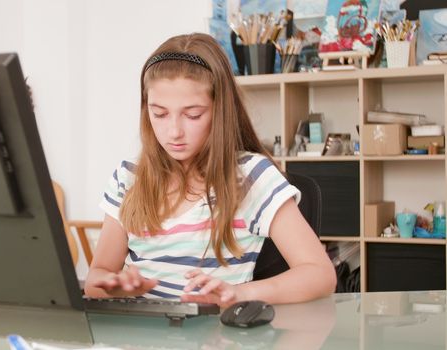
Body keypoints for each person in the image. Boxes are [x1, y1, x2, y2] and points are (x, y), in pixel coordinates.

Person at [84, 33, 336, 307]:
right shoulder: (128, 179)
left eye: (192, 115)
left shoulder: (250, 178)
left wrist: (239, 293)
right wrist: (116, 286)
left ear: (220, 111)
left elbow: (320, 274)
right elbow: (96, 280)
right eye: (159, 113)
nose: (174, 132)